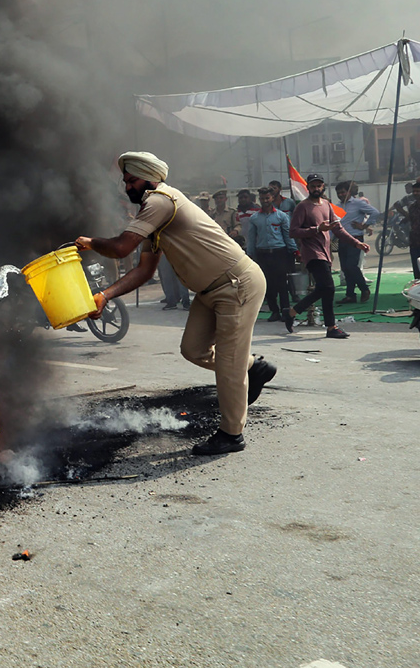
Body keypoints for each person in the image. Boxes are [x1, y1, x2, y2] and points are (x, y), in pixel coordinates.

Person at [76, 151, 272, 456]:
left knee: (227, 366)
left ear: (149, 178)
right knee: (193, 350)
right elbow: (143, 270)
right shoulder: (152, 214)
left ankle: (231, 435)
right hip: (209, 291)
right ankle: (254, 367)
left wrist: (91, 243)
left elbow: (120, 247)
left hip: (236, 284)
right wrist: (106, 295)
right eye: (125, 181)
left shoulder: (160, 200)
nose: (128, 187)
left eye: (132, 180)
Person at [287, 174, 368, 338]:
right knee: (329, 287)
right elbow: (293, 231)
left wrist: (356, 243)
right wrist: (316, 229)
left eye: (319, 186)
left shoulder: (327, 205)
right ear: (308, 188)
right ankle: (331, 327)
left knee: (324, 289)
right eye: (313, 186)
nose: (316, 189)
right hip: (312, 253)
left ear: (323, 187)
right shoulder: (302, 207)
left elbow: (338, 229)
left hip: (326, 253)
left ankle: (292, 312)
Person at [246, 187, 297, 328]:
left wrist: (294, 251)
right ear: (259, 200)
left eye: (267, 198)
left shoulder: (281, 216)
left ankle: (285, 311)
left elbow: (287, 235)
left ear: (272, 198)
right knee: (267, 284)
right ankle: (274, 311)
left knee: (282, 284)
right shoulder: (254, 218)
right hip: (263, 253)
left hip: (279, 252)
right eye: (262, 199)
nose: (265, 201)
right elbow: (251, 239)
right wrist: (250, 255)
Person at [334, 181, 379, 305]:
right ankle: (350, 295)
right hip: (342, 239)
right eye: (338, 193)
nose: (341, 195)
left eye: (343, 192)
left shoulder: (358, 203)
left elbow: (375, 212)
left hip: (355, 238)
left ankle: (364, 289)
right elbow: (335, 225)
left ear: (349, 192)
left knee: (351, 266)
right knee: (345, 268)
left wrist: (364, 226)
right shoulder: (337, 207)